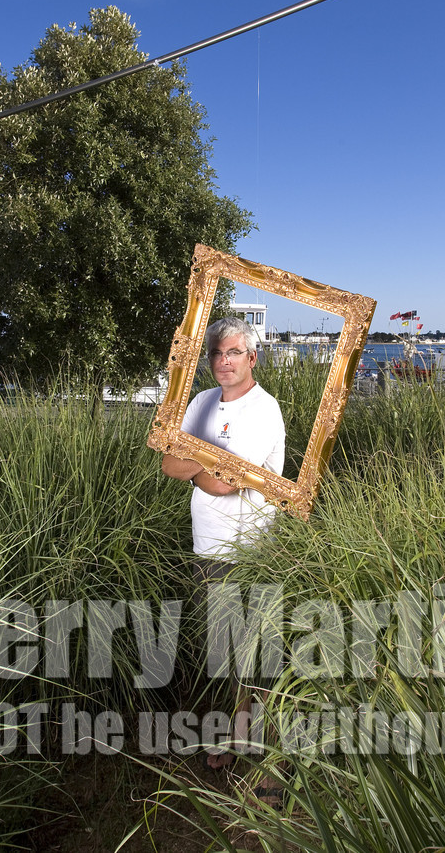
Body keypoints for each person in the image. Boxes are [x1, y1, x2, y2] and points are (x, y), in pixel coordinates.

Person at [160, 316, 284, 796]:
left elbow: (225, 483)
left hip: (250, 546)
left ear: (252, 357)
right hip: (208, 545)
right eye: (216, 352)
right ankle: (236, 733)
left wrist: (198, 462)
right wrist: (206, 464)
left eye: (233, 352)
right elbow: (169, 463)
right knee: (225, 648)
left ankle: (270, 757)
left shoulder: (263, 409)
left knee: (259, 651)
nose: (223, 361)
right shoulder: (200, 402)